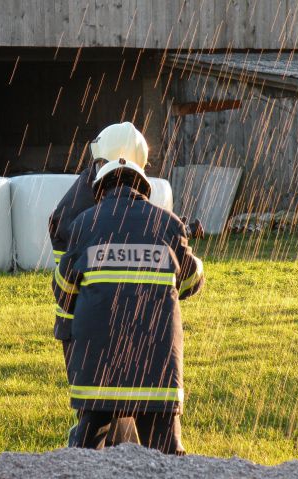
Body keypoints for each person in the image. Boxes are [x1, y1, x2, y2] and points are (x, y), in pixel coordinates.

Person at [52, 156, 204, 454]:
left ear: (100, 191)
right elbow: (190, 283)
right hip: (156, 373)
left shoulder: (84, 223)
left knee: (84, 455)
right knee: (167, 458)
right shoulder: (168, 223)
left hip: (98, 375)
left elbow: (63, 289)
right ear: (144, 189)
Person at [49, 122, 150, 445]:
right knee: (101, 407)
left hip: (87, 313)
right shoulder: (89, 204)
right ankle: (90, 454)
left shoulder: (90, 187)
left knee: (112, 403)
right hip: (89, 317)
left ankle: (114, 454)